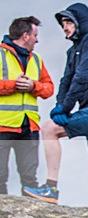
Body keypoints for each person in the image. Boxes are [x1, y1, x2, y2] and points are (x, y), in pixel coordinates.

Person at [23, 3, 88, 211]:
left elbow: (83, 76)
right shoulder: (73, 51)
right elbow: (66, 81)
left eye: (69, 22)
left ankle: (51, 189)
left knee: (49, 129)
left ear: (80, 22)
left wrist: (66, 108)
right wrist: (60, 105)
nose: (65, 27)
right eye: (63, 24)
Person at [0, 16, 54, 196]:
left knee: (30, 179)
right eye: (35, 35)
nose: (37, 40)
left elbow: (49, 89)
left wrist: (34, 86)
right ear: (25, 36)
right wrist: (12, 85)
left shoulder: (37, 60)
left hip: (29, 126)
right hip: (3, 125)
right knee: (0, 177)